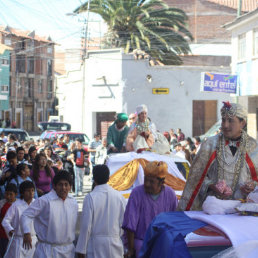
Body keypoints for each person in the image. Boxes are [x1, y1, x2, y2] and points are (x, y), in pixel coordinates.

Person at [178, 102, 258, 211]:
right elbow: (195, 178)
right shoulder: (209, 145)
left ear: (242, 123)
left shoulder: (254, 147)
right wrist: (212, 186)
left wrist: (253, 186)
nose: (225, 125)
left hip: (242, 212)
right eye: (223, 120)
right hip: (213, 210)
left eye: (230, 121)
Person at [122, 161, 178, 257]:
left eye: (151, 181)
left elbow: (175, 223)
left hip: (163, 247)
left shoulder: (170, 194)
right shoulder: (137, 193)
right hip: (141, 246)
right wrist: (131, 250)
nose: (147, 184)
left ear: (162, 182)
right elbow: (130, 225)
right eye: (146, 180)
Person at [21, 171, 78, 258]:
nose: (63, 188)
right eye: (60, 184)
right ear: (54, 186)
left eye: (66, 184)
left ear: (70, 186)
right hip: (48, 250)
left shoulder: (73, 202)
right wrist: (26, 233)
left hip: (68, 250)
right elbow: (26, 215)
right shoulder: (44, 200)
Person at [76, 165, 126, 258]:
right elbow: (124, 222)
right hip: (115, 243)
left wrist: (81, 249)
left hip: (96, 245)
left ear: (94, 179)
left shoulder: (90, 197)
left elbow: (86, 226)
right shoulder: (119, 197)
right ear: (108, 178)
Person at [2, 181, 37, 258]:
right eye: (28, 191)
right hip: (19, 239)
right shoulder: (16, 205)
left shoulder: (37, 204)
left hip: (33, 239)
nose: (31, 193)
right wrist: (10, 230)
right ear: (22, 192)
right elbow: (5, 221)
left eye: (32, 190)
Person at [0, 183, 17, 257]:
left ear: (16, 194)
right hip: (3, 233)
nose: (8, 196)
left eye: (11, 194)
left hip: (15, 233)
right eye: (6, 194)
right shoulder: (1, 203)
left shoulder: (18, 204)